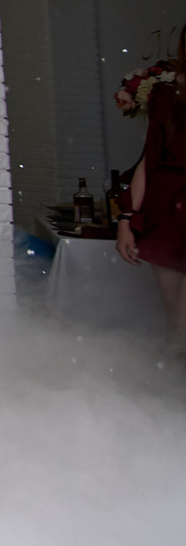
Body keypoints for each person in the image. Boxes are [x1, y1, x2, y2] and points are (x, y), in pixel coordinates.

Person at [116, 29, 186, 339]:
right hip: (166, 207)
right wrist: (126, 219)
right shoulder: (165, 93)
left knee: (182, 321)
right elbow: (149, 160)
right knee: (174, 323)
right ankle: (170, 365)